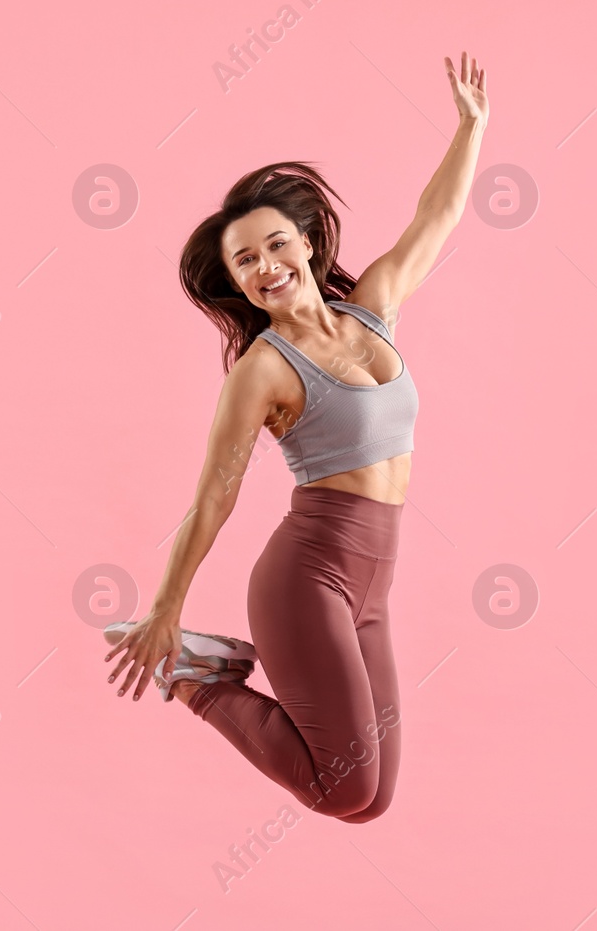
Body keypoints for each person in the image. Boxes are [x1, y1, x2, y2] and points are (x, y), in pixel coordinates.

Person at [105, 52, 489, 822]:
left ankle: (203, 669)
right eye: (245, 261)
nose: (265, 265)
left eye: (275, 244)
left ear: (307, 242)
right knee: (341, 784)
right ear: (238, 285)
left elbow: (435, 217)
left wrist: (471, 127)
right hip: (308, 576)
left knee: (370, 799)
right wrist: (166, 607)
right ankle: (193, 674)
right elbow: (214, 496)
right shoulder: (261, 371)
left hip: (375, 577)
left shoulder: (372, 310)